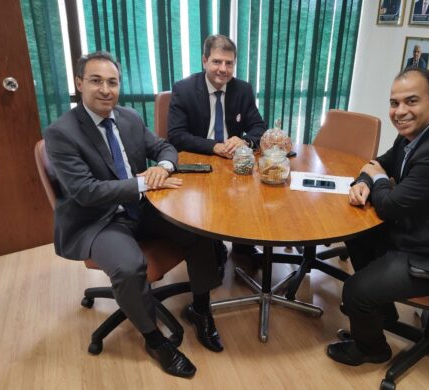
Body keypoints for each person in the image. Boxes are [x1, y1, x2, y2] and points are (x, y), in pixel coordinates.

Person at [44, 51, 225, 379]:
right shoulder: (61, 133)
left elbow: (163, 147)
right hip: (98, 219)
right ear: (79, 83)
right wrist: (143, 181)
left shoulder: (128, 118)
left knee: (200, 228)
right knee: (129, 267)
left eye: (112, 82)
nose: (105, 90)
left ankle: (200, 310)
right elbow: (86, 192)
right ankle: (155, 341)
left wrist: (165, 167)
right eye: (96, 81)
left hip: (141, 206)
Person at [326, 68, 429, 366]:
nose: (400, 112)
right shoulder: (417, 134)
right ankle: (380, 312)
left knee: (354, 290)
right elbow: (380, 163)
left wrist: (376, 180)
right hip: (425, 233)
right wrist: (365, 180)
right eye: (394, 103)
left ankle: (372, 349)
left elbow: (389, 206)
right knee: (357, 233)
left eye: (411, 101)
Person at [167, 34, 267, 263]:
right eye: (217, 62)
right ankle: (213, 251)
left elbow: (259, 127)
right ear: (204, 61)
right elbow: (176, 136)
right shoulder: (184, 89)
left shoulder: (242, 89)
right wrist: (215, 147)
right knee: (207, 204)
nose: (223, 69)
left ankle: (243, 246)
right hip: (200, 160)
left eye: (229, 63)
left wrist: (245, 141)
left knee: (252, 192)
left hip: (234, 161)